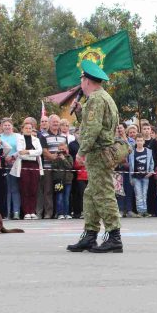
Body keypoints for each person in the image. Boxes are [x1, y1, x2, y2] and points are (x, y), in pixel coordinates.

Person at [67, 60, 125, 253]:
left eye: (82, 78)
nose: (81, 82)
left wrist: (81, 151)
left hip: (98, 153)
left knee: (103, 194)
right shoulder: (104, 97)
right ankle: (89, 235)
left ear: (87, 80)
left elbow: (93, 128)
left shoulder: (95, 99)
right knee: (91, 194)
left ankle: (114, 237)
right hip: (101, 152)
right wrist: (79, 112)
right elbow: (97, 123)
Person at [10, 121, 43, 220]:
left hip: (34, 164)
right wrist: (32, 152)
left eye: (30, 128)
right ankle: (26, 212)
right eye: (26, 128)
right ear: (22, 129)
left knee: (33, 188)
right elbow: (20, 153)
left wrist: (28, 151)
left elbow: (39, 151)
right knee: (25, 188)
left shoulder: (36, 139)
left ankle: (32, 211)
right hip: (24, 164)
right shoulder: (19, 139)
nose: (28, 130)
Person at [129, 135, 154, 217]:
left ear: (143, 142)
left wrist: (151, 172)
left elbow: (151, 163)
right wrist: (131, 178)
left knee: (144, 194)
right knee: (138, 194)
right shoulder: (132, 152)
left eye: (141, 140)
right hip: (136, 177)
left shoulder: (148, 151)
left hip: (145, 176)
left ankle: (144, 211)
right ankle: (140, 211)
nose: (139, 142)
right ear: (136, 142)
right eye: (138, 140)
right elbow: (130, 166)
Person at [52, 142, 74, 219]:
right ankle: (60, 213)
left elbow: (70, 166)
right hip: (59, 180)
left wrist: (64, 159)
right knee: (59, 197)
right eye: (60, 149)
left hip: (67, 180)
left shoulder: (69, 157)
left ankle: (67, 213)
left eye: (63, 149)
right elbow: (54, 166)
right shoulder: (56, 157)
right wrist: (56, 158)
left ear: (66, 149)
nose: (61, 151)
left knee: (66, 197)